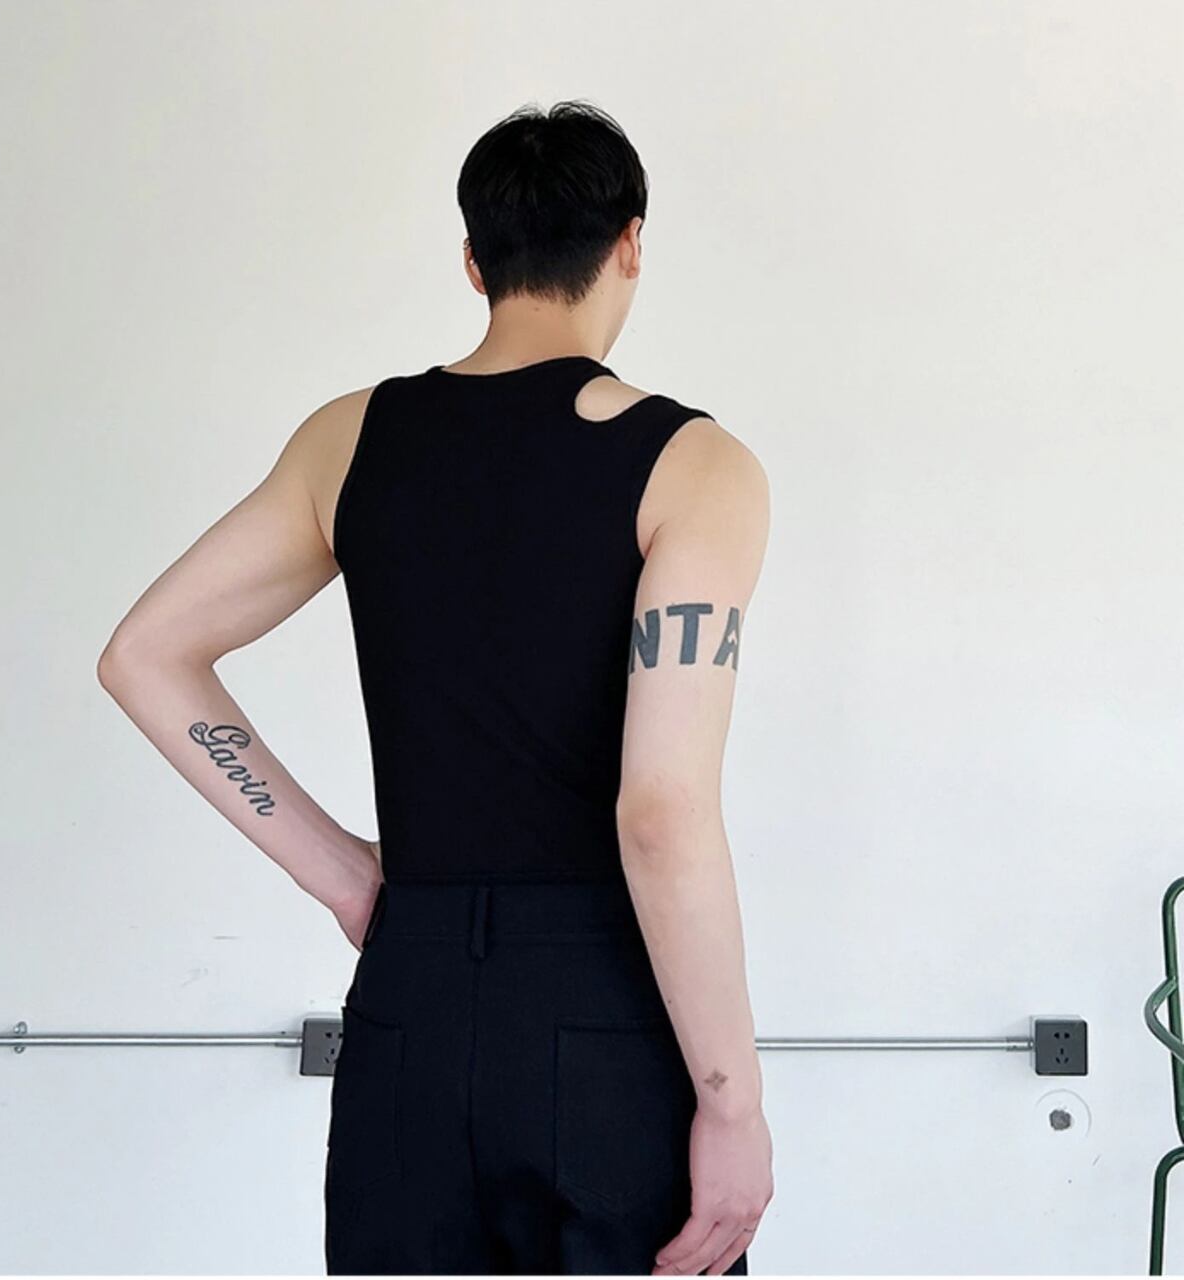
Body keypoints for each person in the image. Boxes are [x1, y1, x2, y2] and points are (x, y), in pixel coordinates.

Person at [98, 98, 774, 1276]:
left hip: (406, 1003)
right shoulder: (693, 465)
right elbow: (660, 811)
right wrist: (730, 1100)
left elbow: (145, 654)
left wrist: (343, 874)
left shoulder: (348, 438)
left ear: (473, 261)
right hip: (604, 1010)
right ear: (628, 244)